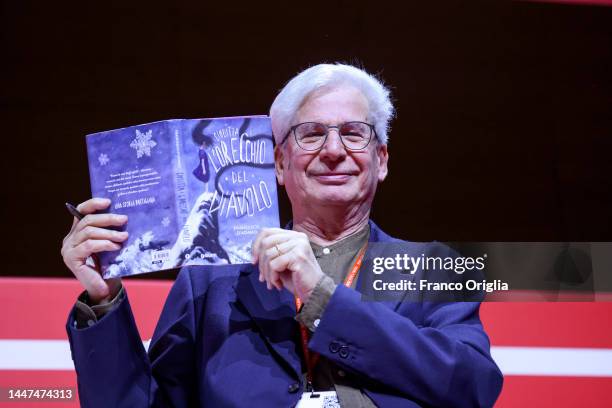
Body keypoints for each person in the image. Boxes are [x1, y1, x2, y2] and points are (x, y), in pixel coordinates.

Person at [61, 63, 503, 407]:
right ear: (277, 163)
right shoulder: (212, 278)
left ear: (381, 160)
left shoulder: (432, 266)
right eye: (310, 135)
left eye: (353, 133)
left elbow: (471, 385)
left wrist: (322, 297)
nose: (333, 151)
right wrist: (103, 301)